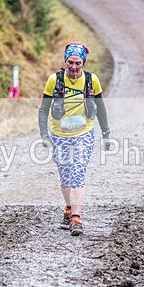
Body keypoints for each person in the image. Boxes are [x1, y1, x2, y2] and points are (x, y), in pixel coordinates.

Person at [38, 42, 110, 236]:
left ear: (83, 62)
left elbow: (100, 108)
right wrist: (44, 134)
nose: (74, 67)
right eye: (70, 62)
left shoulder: (91, 80)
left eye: (78, 63)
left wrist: (106, 133)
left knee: (78, 170)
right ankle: (68, 207)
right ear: (65, 61)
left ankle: (76, 218)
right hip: (59, 134)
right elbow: (44, 109)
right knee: (65, 176)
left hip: (84, 133)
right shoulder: (54, 80)